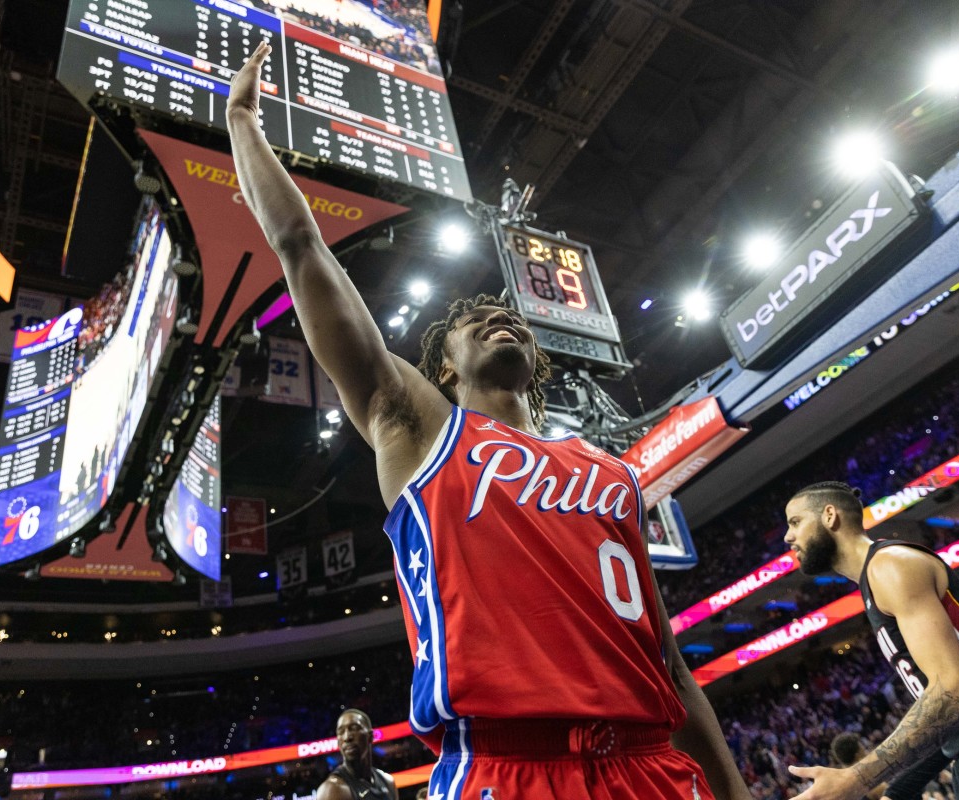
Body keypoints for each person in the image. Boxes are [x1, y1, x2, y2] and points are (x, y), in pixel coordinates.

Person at [228, 41, 750, 800]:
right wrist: (244, 125)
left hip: (650, 763)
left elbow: (667, 662)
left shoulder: (613, 474)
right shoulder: (419, 428)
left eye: (507, 315)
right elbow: (302, 247)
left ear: (537, 360)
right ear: (444, 369)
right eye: (474, 319)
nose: (497, 315)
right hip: (507, 767)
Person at [782, 481, 959, 800]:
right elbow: (945, 715)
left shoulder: (890, 566)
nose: (788, 536)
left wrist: (857, 777)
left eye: (795, 522)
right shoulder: (873, 582)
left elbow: (953, 693)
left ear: (830, 516)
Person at [316, 709, 399, 800]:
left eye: (354, 728)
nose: (347, 737)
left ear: (370, 736)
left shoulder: (388, 782)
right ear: (338, 743)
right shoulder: (332, 790)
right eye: (341, 732)